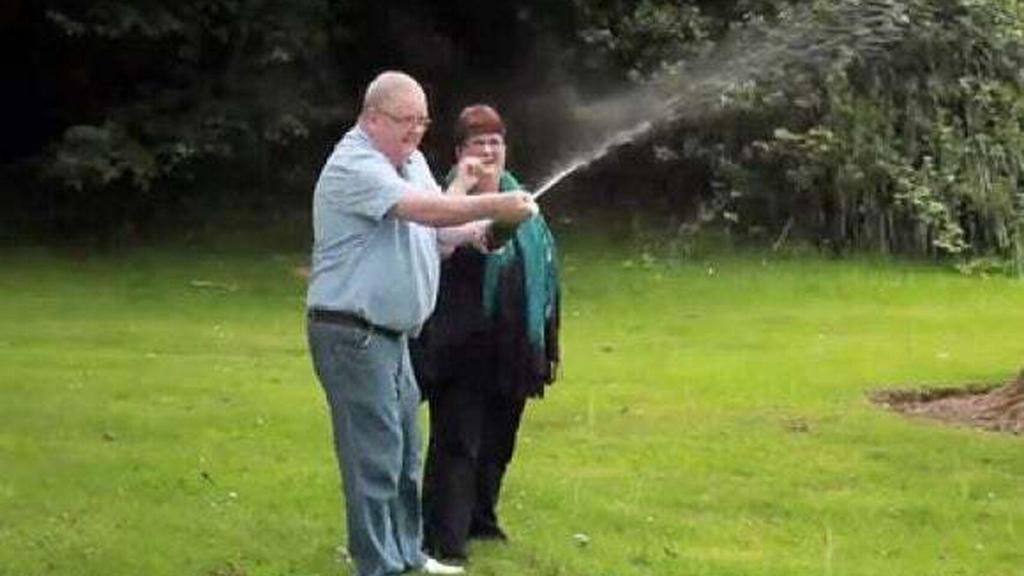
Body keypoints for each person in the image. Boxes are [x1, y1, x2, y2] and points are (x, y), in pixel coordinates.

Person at [306, 73, 538, 576]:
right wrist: (496, 201)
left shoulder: (408, 162)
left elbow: (444, 233)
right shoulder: (356, 165)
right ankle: (378, 564)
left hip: (393, 336)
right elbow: (427, 210)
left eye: (422, 121)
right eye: (404, 121)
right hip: (350, 331)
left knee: (408, 453)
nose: (415, 132)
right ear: (371, 118)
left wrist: (495, 230)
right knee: (375, 457)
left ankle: (409, 554)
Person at [412, 104, 560, 561]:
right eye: (479, 142)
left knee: (498, 442)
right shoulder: (443, 203)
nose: (490, 150)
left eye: (496, 141)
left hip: (512, 348)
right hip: (458, 348)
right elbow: (432, 254)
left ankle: (481, 520)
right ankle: (445, 539)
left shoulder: (522, 203)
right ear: (460, 153)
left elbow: (543, 272)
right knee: (458, 442)